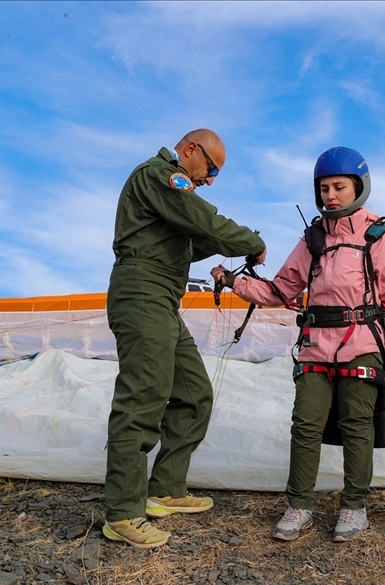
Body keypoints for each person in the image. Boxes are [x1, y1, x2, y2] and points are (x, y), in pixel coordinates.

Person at [211, 147, 385, 542]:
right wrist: (234, 282)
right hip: (315, 345)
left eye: (339, 187)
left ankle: (354, 507)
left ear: (358, 187)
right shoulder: (312, 239)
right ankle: (299, 505)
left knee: (357, 424)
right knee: (306, 423)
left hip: (363, 343)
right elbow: (281, 289)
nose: (330, 195)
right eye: (324, 188)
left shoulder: (378, 237)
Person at [103, 129, 267, 548]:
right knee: (143, 396)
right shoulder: (159, 175)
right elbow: (202, 219)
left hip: (163, 297)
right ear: (191, 149)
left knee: (194, 393)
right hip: (142, 290)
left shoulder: (168, 197)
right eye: (211, 169)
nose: (210, 180)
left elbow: (191, 242)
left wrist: (231, 246)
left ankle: (165, 489)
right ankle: (122, 512)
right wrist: (252, 241)